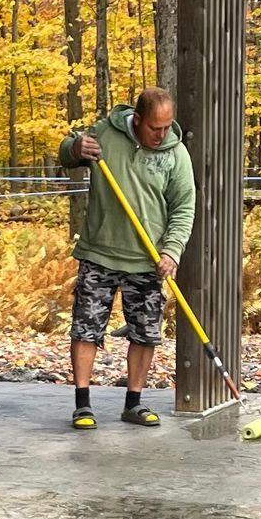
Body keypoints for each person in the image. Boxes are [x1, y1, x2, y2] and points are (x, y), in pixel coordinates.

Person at [56, 88, 195, 431]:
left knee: (145, 333)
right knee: (86, 329)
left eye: (166, 127)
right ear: (138, 119)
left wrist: (171, 250)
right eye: (154, 128)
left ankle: (133, 403)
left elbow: (183, 207)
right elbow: (67, 153)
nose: (161, 134)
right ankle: (82, 404)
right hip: (99, 252)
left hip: (147, 259)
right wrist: (75, 148)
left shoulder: (176, 153)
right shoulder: (105, 133)